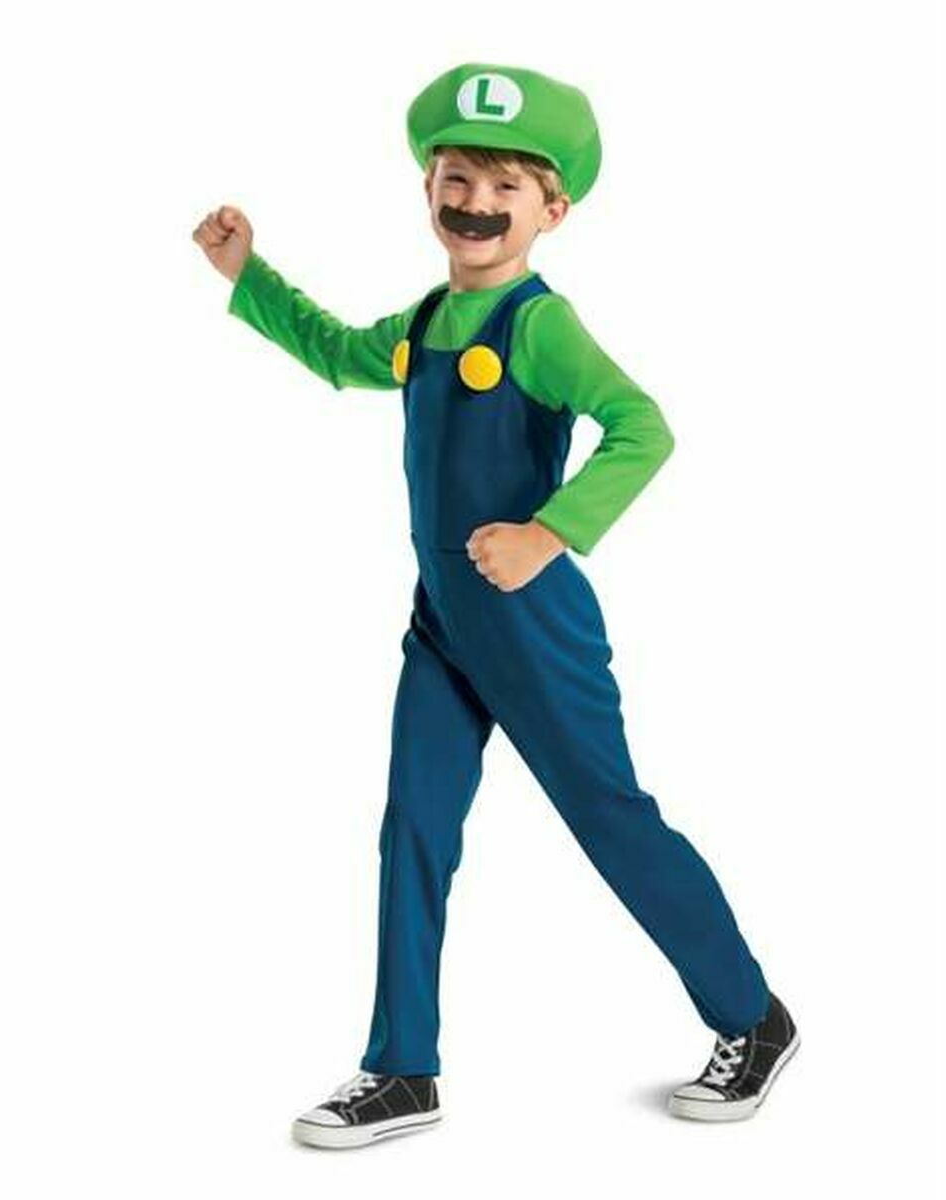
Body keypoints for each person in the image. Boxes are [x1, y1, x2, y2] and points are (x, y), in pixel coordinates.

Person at [193, 62, 799, 1149]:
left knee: (611, 820)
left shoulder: (538, 324)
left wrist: (547, 532)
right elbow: (339, 353)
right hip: (443, 624)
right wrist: (249, 274)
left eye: (505, 187)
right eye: (457, 178)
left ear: (552, 211)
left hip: (531, 625)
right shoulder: (429, 318)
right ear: (428, 186)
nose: (475, 203)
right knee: (414, 829)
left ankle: (753, 1018)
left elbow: (642, 425)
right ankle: (401, 1069)